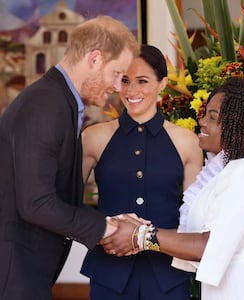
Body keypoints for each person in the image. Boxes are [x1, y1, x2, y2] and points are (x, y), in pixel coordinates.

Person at [101, 76, 244, 300]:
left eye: (213, 118)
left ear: (237, 125)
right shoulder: (229, 171)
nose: (202, 122)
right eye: (205, 114)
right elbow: (197, 237)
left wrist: (140, 236)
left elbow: (207, 245)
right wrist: (138, 231)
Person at [0, 15, 139, 300]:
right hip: (13, 275)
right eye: (117, 74)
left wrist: (106, 221)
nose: (117, 87)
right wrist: (104, 227)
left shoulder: (58, 101)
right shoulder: (45, 105)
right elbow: (36, 203)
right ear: (95, 59)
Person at [80, 44, 203, 300]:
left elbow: (194, 221)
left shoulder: (187, 141)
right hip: (108, 274)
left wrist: (146, 239)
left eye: (142, 81)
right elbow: (66, 204)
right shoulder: (93, 138)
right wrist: (104, 230)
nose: (131, 91)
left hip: (168, 277)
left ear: (163, 84)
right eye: (125, 80)